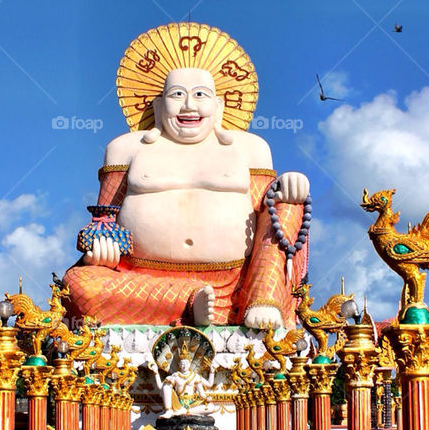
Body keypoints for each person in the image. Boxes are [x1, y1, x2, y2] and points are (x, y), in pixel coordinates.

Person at [62, 24, 310, 329]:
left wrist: (289, 187)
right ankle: (188, 299)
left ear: (218, 106)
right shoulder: (126, 148)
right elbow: (103, 218)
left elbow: (266, 216)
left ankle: (263, 299)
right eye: (177, 95)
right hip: (139, 281)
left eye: (201, 95)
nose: (189, 105)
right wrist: (100, 246)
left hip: (236, 285)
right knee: (78, 283)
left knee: (289, 206)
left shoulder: (250, 148)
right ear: (158, 104)